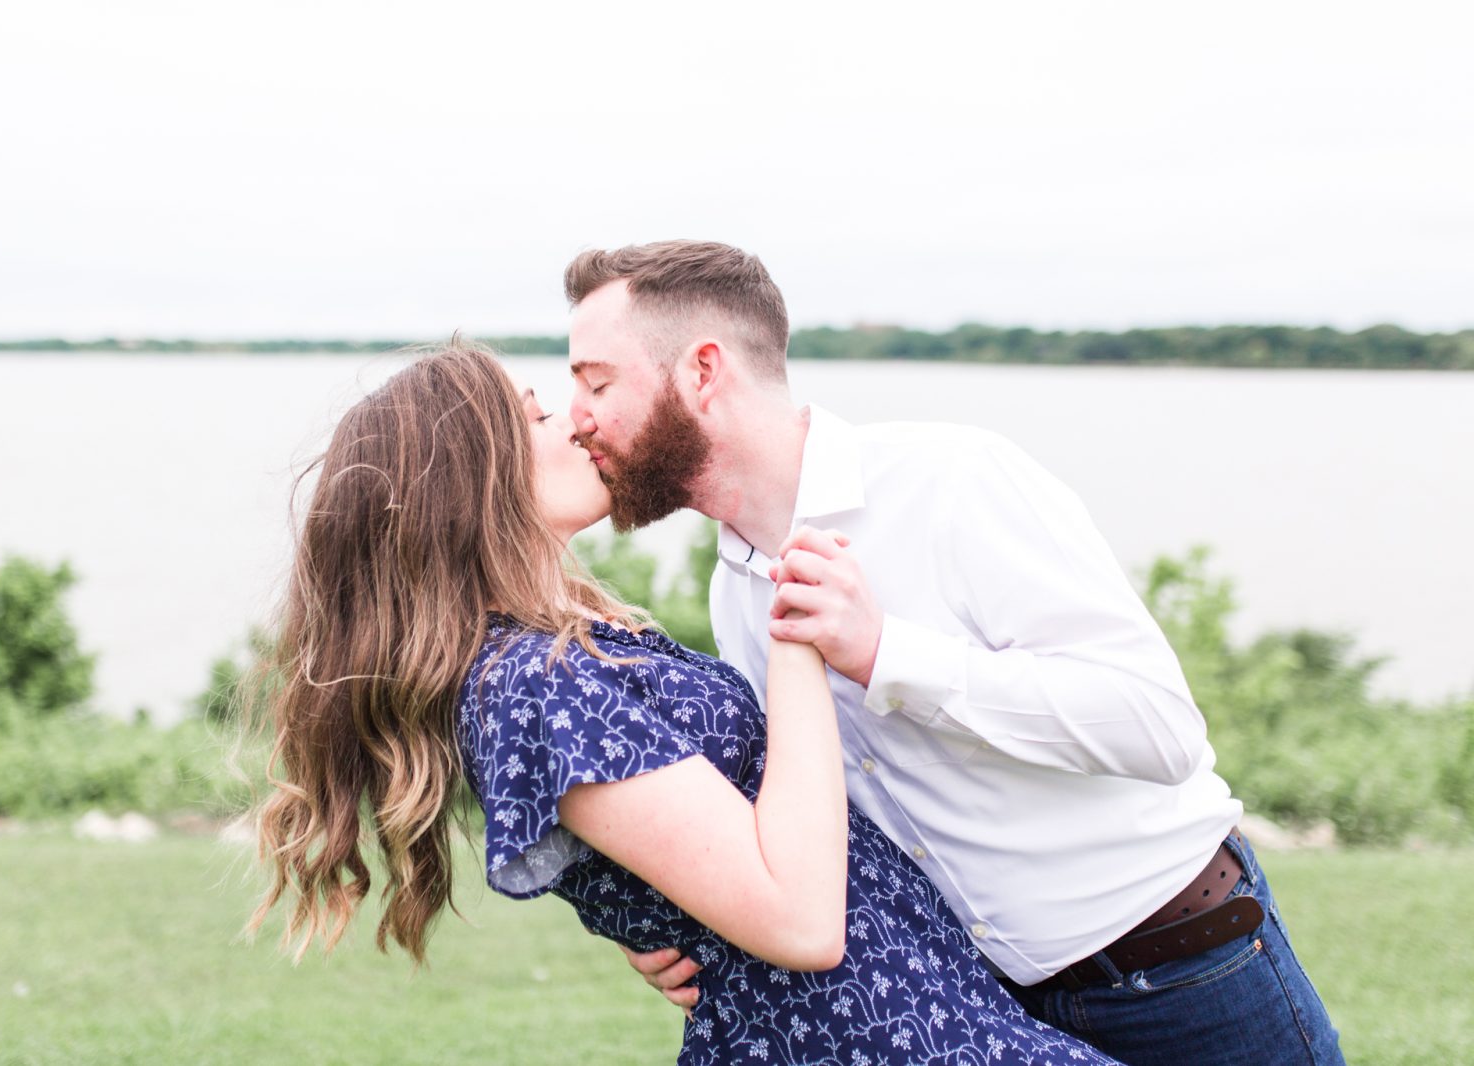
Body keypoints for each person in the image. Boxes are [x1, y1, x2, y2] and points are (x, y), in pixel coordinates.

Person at [566, 241, 1346, 1066]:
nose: (576, 415)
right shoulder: (735, 593)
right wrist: (684, 913)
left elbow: (1160, 728)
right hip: (991, 1015)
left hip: (1190, 971)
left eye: (596, 380)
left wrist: (886, 653)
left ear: (701, 372)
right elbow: (813, 824)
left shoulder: (953, 484)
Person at [247, 343, 1116, 1064]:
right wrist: (798, 636)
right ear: (471, 481)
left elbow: (690, 840)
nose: (577, 423)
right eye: (539, 415)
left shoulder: (559, 644)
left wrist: (666, 902)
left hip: (913, 1019)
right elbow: (802, 921)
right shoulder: (533, 684)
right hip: (859, 1037)